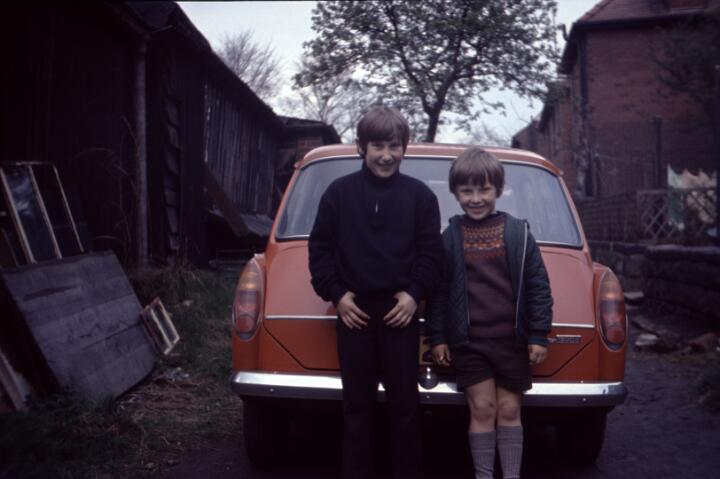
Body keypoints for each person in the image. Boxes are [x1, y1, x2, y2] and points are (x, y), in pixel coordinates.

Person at [308, 105, 443, 479]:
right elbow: (320, 252)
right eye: (378, 146)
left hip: (401, 313)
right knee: (357, 406)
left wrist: (414, 294)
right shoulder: (338, 194)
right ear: (361, 147)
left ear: (404, 148)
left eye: (394, 146)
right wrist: (338, 295)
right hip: (354, 313)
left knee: (405, 406)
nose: (386, 155)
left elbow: (432, 256)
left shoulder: (420, 197)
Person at [426, 147, 553, 479]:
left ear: (498, 189)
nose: (476, 199)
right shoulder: (450, 237)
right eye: (467, 191)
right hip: (470, 343)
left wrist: (539, 335)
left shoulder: (518, 233)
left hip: (512, 341)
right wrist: (438, 337)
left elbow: (538, 286)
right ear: (455, 193)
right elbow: (438, 292)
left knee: (509, 410)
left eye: (484, 190)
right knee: (482, 409)